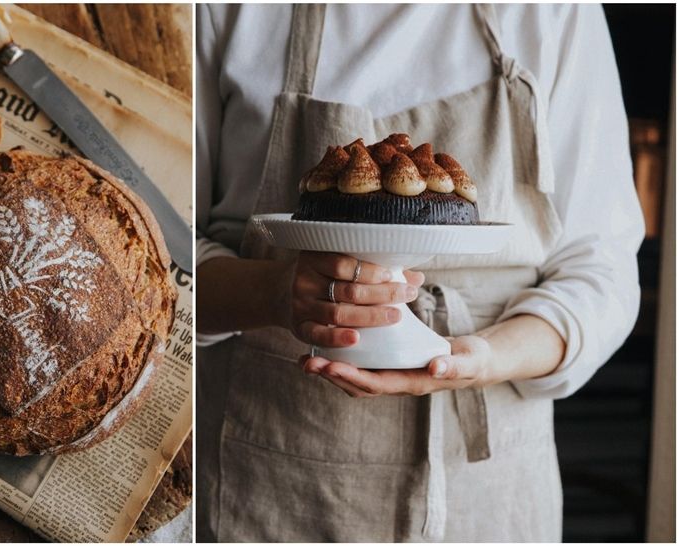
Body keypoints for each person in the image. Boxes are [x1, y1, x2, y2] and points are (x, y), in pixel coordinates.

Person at [195, 4, 643, 542]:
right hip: (269, 487)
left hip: (489, 493)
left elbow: (602, 266)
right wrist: (275, 293)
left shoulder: (554, 12)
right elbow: (165, 254)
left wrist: (488, 357)